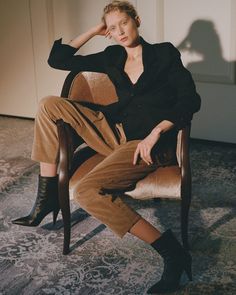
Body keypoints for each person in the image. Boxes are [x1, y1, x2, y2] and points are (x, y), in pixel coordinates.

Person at [12, 1, 201, 293]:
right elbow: (58, 59)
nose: (119, 31)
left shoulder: (164, 54)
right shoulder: (112, 55)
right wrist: (95, 30)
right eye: (113, 28)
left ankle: (172, 253)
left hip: (145, 142)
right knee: (48, 104)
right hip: (113, 130)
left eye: (123, 23)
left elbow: (190, 100)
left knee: (87, 191)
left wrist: (157, 132)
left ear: (136, 20)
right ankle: (47, 195)